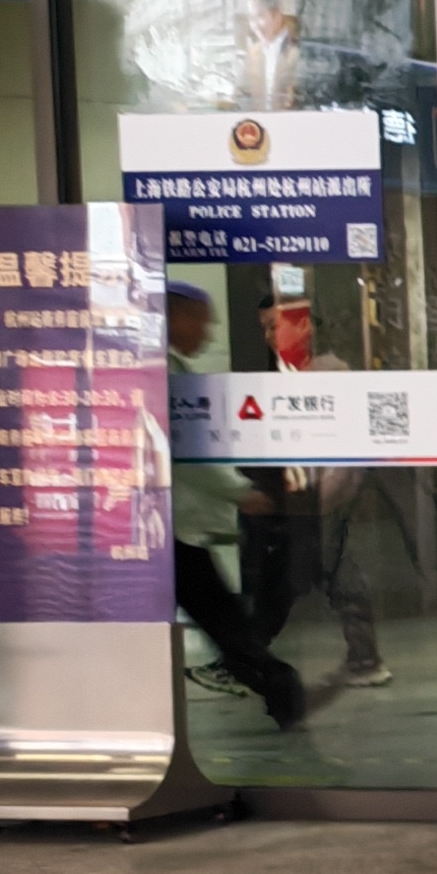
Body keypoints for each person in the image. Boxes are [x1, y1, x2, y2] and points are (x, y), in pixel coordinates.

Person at [163, 283, 306, 726]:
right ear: (174, 316)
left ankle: (277, 685)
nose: (207, 334)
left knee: (219, 615)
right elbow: (185, 452)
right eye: (200, 321)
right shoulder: (163, 373)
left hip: (173, 527)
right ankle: (279, 686)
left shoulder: (170, 368)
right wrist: (239, 491)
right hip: (169, 528)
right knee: (220, 616)